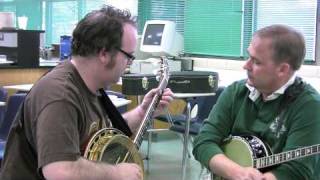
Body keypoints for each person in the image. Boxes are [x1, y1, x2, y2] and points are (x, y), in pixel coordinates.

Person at [0, 5, 173, 180]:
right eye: (128, 56)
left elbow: (99, 136)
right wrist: (116, 173)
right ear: (104, 53)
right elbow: (60, 171)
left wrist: (143, 112)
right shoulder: (59, 95)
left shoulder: (90, 86)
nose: (129, 63)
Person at [193, 24, 320, 180]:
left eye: (256, 62)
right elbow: (203, 141)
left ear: (283, 70)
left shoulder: (309, 106)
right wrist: (235, 172)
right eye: (248, 57)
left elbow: (297, 170)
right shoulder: (236, 92)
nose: (246, 65)